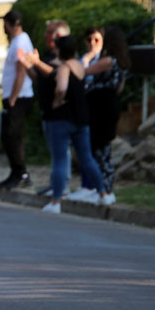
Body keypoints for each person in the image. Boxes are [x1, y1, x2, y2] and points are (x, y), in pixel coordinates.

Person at [38, 36, 107, 213]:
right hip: (81, 118)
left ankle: (56, 202)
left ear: (60, 50)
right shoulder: (79, 65)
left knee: (60, 160)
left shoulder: (64, 67)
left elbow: (61, 87)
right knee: (87, 157)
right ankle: (103, 193)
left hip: (61, 118)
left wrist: (57, 101)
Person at [19, 19, 71, 197]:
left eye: (48, 33)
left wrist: (37, 61)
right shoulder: (50, 55)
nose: (44, 36)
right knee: (54, 152)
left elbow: (54, 73)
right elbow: (39, 78)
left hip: (60, 113)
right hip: (47, 111)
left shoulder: (63, 56)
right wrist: (28, 65)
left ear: (58, 36)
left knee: (61, 153)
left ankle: (62, 186)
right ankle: (55, 184)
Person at [82, 26, 130, 205]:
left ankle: (104, 188)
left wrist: (86, 59)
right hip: (109, 106)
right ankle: (104, 188)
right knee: (103, 150)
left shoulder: (108, 61)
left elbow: (84, 72)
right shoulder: (121, 62)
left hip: (100, 109)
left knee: (99, 150)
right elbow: (119, 87)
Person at [0, 9, 34, 188]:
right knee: (10, 136)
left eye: (5, 23)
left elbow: (21, 71)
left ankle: (21, 173)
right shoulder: (19, 40)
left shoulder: (20, 42)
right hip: (17, 96)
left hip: (19, 97)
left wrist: (13, 98)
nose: (3, 27)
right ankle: (18, 172)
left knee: (11, 135)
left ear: (9, 24)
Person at [68, 26, 105, 202]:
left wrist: (88, 59)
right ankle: (87, 185)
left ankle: (98, 188)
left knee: (93, 151)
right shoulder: (83, 59)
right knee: (84, 150)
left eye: (96, 40)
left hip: (99, 110)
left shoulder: (103, 60)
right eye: (89, 40)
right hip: (85, 110)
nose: (92, 44)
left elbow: (82, 75)